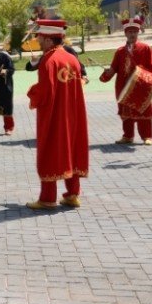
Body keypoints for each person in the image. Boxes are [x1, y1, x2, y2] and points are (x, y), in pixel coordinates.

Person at [25, 20, 89, 209]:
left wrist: (32, 92)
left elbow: (45, 92)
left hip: (54, 115)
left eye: (40, 37)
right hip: (73, 113)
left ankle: (47, 198)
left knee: (50, 150)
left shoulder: (49, 60)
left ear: (48, 40)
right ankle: (72, 195)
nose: (37, 40)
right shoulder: (71, 59)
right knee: (72, 150)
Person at [99, 16, 152, 145]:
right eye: (129, 32)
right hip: (124, 86)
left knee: (143, 110)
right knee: (126, 112)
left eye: (134, 31)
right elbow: (113, 68)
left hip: (141, 86)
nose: (132, 34)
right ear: (125, 33)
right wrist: (107, 74)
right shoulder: (119, 51)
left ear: (138, 32)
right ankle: (128, 136)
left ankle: (147, 136)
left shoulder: (145, 48)